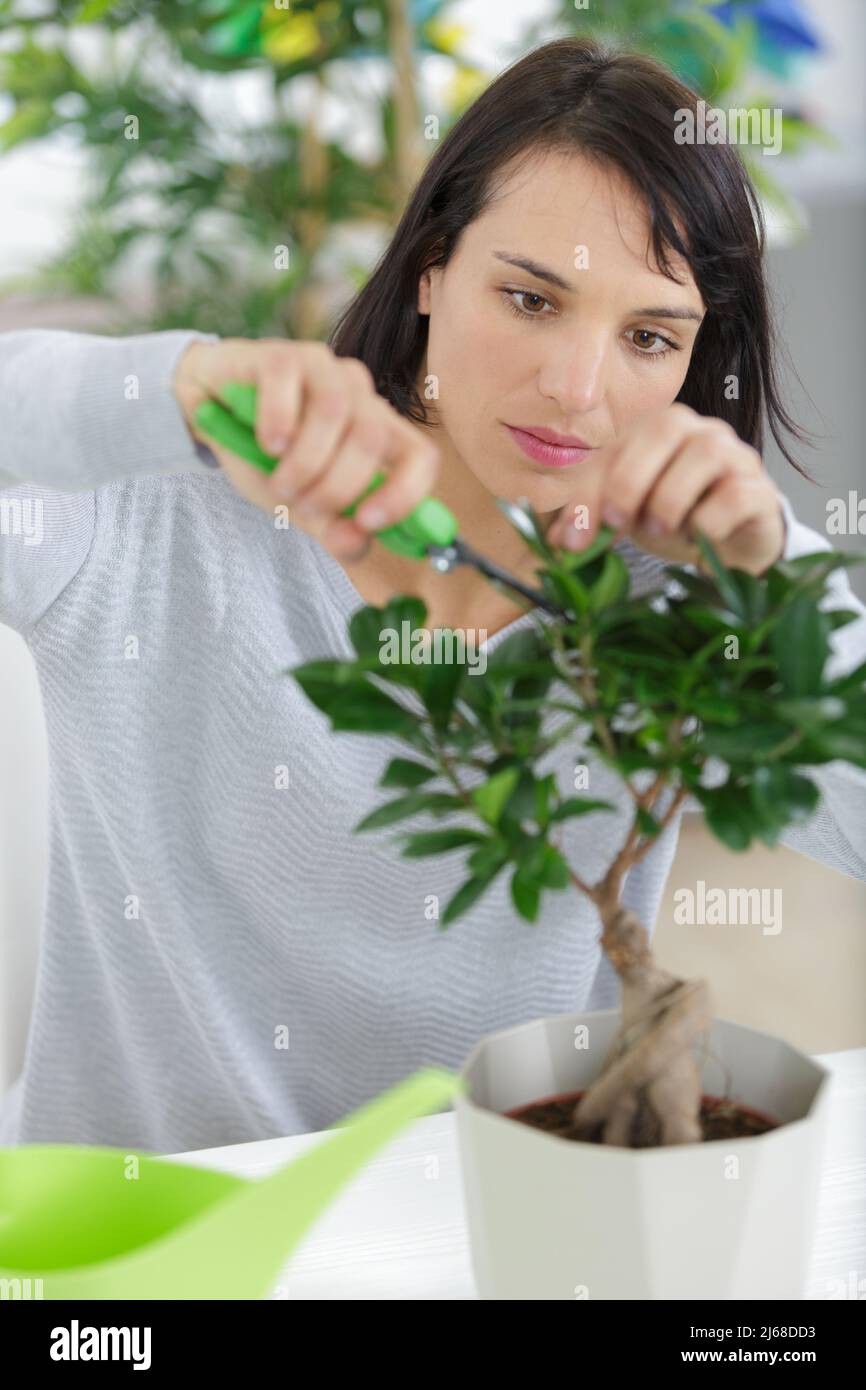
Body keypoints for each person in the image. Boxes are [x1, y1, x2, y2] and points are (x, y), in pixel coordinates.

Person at [0, 37, 863, 1152]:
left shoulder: (678, 605)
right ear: (427, 267)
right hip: (147, 1247)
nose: (576, 387)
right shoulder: (151, 512)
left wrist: (777, 586)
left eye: (647, 336)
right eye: (527, 297)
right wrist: (168, 381)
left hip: (494, 1228)